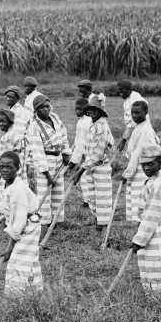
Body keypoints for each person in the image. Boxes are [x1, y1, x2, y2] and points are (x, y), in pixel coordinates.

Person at [130, 144, 161, 292]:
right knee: (148, 260)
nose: (146, 168)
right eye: (143, 165)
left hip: (156, 226)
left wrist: (139, 240)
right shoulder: (154, 179)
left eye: (150, 164)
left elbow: (151, 215)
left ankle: (159, 296)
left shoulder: (157, 184)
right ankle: (151, 291)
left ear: (160, 163)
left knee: (156, 262)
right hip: (151, 225)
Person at [0, 151, 42, 295]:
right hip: (25, 223)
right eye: (2, 167)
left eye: (9, 167)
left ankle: (15, 297)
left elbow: (19, 219)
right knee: (29, 259)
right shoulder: (9, 184)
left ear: (18, 168)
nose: (5, 170)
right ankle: (34, 293)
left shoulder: (18, 189)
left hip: (27, 226)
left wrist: (10, 245)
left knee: (17, 261)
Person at [71, 95, 116, 231]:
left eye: (96, 111)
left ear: (101, 112)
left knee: (102, 197)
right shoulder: (92, 124)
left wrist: (80, 171)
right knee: (90, 196)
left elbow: (98, 151)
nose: (92, 113)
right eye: (90, 110)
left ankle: (102, 225)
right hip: (89, 166)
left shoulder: (102, 126)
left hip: (100, 166)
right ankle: (97, 219)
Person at [24, 96, 71, 226]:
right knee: (45, 191)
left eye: (47, 106)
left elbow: (63, 134)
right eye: (41, 107)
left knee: (58, 189)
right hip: (45, 159)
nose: (45, 109)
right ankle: (44, 222)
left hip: (58, 158)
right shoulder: (34, 126)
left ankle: (57, 219)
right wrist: (47, 174)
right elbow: (37, 151)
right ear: (36, 110)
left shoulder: (55, 117)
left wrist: (66, 152)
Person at [121, 101, 161, 223]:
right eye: (132, 113)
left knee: (140, 200)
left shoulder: (144, 129)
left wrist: (127, 174)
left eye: (137, 113)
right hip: (142, 168)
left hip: (141, 170)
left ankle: (141, 231)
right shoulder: (141, 126)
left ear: (146, 113)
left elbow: (136, 155)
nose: (134, 116)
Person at [68, 95, 96, 211]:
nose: (77, 111)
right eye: (76, 109)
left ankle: (89, 201)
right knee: (85, 178)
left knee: (87, 178)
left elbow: (82, 142)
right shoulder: (82, 121)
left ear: (86, 109)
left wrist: (74, 160)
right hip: (85, 153)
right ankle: (87, 200)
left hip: (88, 154)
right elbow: (78, 140)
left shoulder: (86, 122)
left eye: (80, 109)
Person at [0, 109, 26, 189]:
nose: (1, 124)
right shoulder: (12, 133)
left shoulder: (9, 136)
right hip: (15, 170)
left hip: (10, 171)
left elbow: (5, 158)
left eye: (4, 121)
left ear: (11, 122)